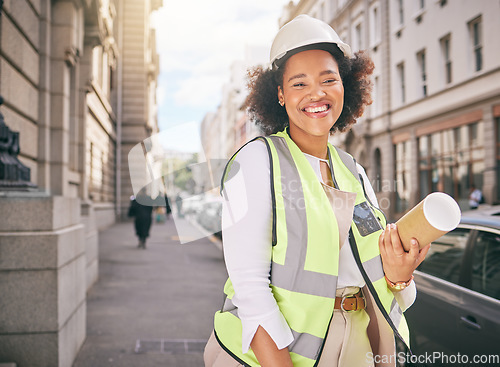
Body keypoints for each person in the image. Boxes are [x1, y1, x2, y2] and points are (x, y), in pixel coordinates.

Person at [204, 15, 430, 367]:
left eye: (329, 79)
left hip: (358, 343)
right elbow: (250, 290)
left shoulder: (353, 170)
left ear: (345, 87)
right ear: (279, 94)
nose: (317, 93)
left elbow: (372, 271)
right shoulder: (256, 161)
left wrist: (400, 277)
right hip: (277, 355)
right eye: (299, 84)